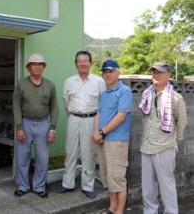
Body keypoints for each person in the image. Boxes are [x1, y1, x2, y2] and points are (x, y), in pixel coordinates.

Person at [138, 62, 187, 214]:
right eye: (154, 72)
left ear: (169, 75)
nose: (156, 75)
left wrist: (174, 139)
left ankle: (171, 212)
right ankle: (150, 211)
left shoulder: (176, 98)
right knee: (148, 186)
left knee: (167, 185)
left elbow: (182, 122)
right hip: (146, 146)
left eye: (160, 72)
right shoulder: (147, 93)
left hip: (165, 146)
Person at [58, 51, 105, 199]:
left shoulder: (98, 81)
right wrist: (74, 115)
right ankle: (68, 183)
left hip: (91, 120)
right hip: (73, 118)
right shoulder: (69, 82)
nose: (83, 63)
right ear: (76, 64)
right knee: (70, 151)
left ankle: (87, 186)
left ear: (90, 63)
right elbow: (66, 102)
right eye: (79, 61)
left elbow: (103, 105)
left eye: (86, 61)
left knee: (88, 154)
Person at [12, 53, 58, 199]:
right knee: (22, 157)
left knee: (42, 158)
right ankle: (22, 186)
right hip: (25, 123)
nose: (37, 66)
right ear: (29, 67)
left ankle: (39, 186)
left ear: (43, 67)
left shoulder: (50, 85)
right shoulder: (21, 84)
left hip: (44, 124)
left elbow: (54, 107)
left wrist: (52, 128)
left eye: (40, 64)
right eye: (34, 64)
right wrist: (19, 127)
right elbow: (16, 106)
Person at [92, 59, 133, 214]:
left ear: (118, 73)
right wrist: (96, 132)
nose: (107, 74)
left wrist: (102, 132)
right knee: (108, 176)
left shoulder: (124, 91)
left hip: (117, 140)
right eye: (105, 72)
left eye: (111, 71)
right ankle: (112, 208)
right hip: (103, 140)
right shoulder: (104, 93)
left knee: (117, 178)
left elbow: (121, 116)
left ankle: (119, 211)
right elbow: (99, 114)